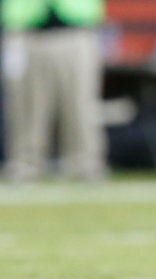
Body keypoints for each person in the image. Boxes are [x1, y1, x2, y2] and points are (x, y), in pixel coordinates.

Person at [1, 0, 107, 182]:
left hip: (76, 29)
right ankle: (25, 165)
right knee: (26, 107)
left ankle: (85, 165)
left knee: (80, 105)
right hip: (25, 31)